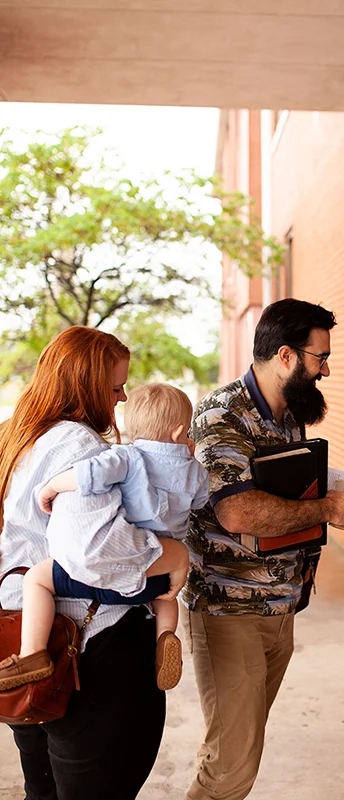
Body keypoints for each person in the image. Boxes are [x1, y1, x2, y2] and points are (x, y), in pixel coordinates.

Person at [182, 297, 344, 800]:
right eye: (320, 358)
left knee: (238, 751)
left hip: (280, 606)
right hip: (229, 612)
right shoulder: (221, 414)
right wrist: (327, 510)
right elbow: (239, 511)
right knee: (230, 766)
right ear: (286, 356)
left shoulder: (287, 414)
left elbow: (288, 484)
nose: (325, 370)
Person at [0, 326, 191, 800]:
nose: (122, 399)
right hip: (86, 647)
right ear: (83, 386)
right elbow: (94, 553)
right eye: (114, 388)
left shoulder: (13, 437)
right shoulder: (77, 446)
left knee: (41, 790)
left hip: (22, 643)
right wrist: (175, 553)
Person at [0, 382, 209, 693]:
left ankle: (33, 653)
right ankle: (166, 636)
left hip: (114, 577)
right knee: (166, 599)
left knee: (37, 579)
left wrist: (52, 487)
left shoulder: (127, 457)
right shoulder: (195, 472)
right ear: (180, 433)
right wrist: (188, 461)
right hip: (158, 576)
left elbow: (90, 475)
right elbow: (202, 499)